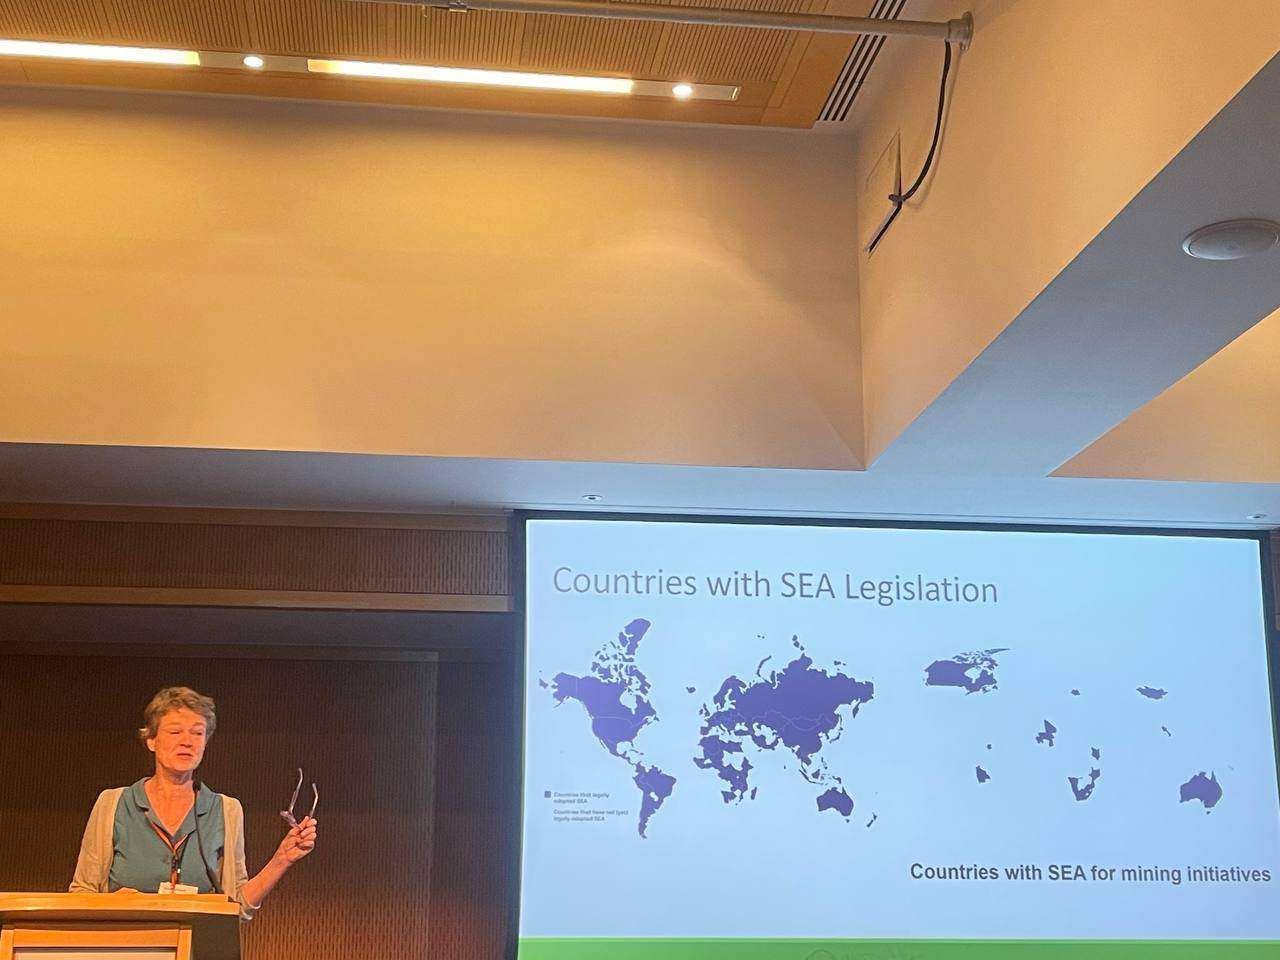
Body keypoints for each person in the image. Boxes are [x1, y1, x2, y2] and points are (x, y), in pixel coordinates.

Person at [70, 686, 317, 918]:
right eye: (175, 731)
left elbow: (237, 907)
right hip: (126, 942)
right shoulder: (113, 803)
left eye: (198, 733)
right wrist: (115, 905)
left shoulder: (226, 809)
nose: (187, 741)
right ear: (151, 740)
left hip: (197, 943)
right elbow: (82, 893)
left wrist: (282, 859)